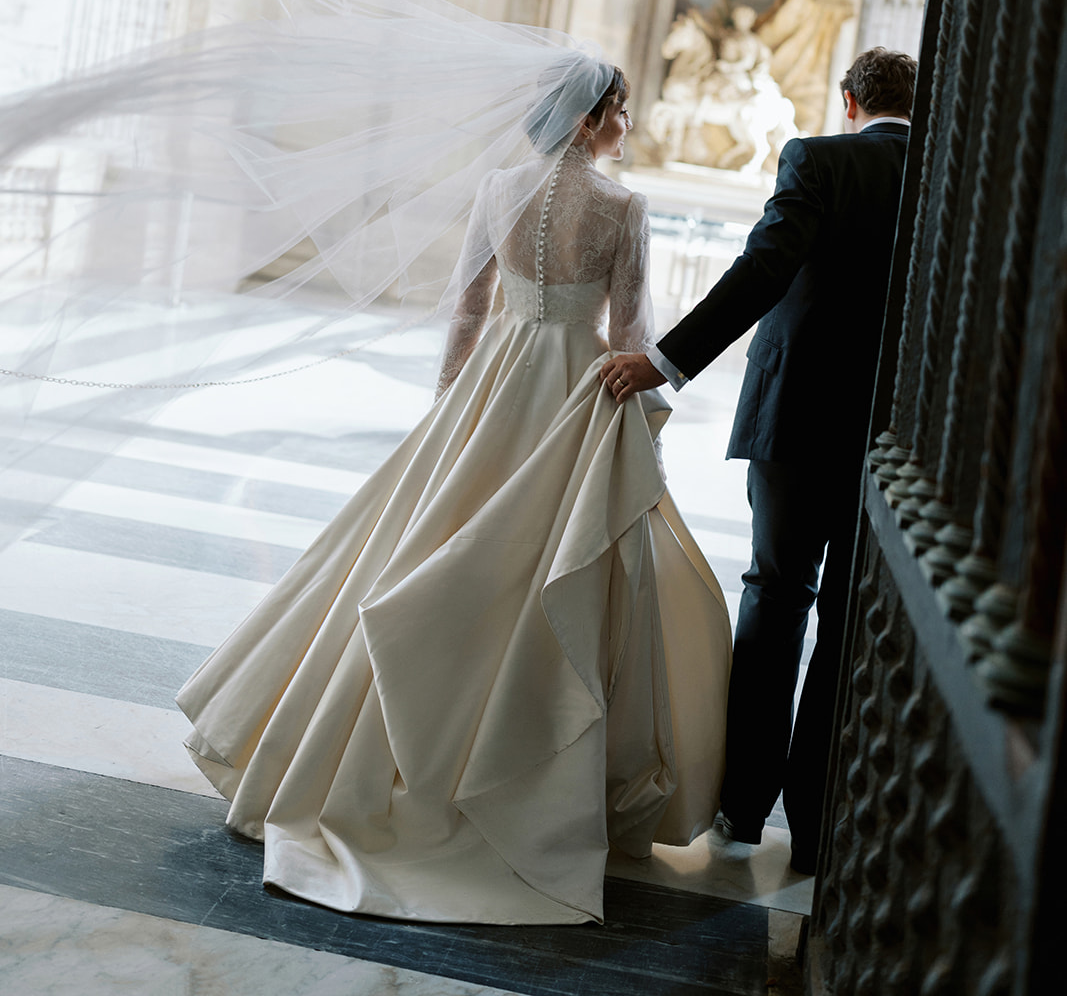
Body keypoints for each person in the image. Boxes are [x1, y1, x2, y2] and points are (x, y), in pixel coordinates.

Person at [173, 54, 732, 924]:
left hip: (490, 385)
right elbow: (630, 330)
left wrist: (448, 406)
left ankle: (373, 749)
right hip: (575, 393)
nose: (629, 123)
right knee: (549, 562)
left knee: (437, 542)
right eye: (621, 109)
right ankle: (520, 767)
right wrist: (641, 421)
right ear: (589, 118)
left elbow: (469, 306)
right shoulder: (623, 206)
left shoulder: (498, 188)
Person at [601, 46, 915, 875]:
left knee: (775, 597)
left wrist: (665, 361)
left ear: (848, 101)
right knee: (847, 618)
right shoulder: (943, 177)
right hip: (895, 433)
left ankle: (742, 808)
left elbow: (764, 268)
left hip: (795, 418)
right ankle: (815, 824)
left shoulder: (818, 159)